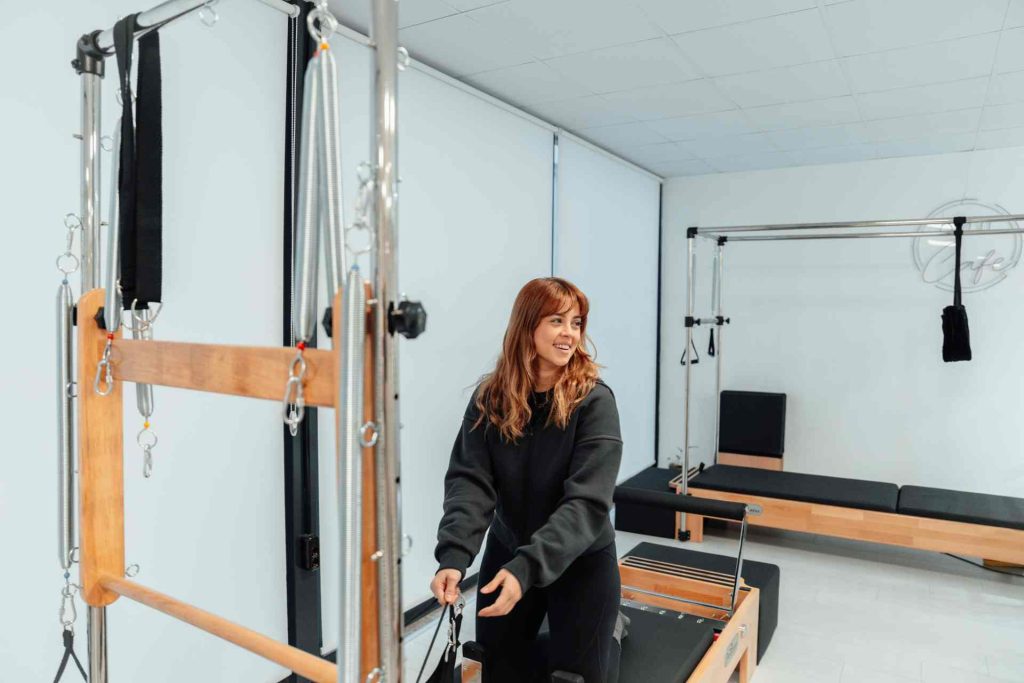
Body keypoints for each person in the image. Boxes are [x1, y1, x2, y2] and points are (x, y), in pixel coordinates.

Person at [430, 277, 623, 683]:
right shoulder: (491, 397)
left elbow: (586, 504)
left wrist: (529, 567)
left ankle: (615, 629)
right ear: (527, 325)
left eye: (577, 323)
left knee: (578, 676)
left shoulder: (595, 401)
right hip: (509, 546)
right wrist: (454, 554)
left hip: (579, 559)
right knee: (500, 668)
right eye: (557, 320)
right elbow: (471, 481)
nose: (570, 333)